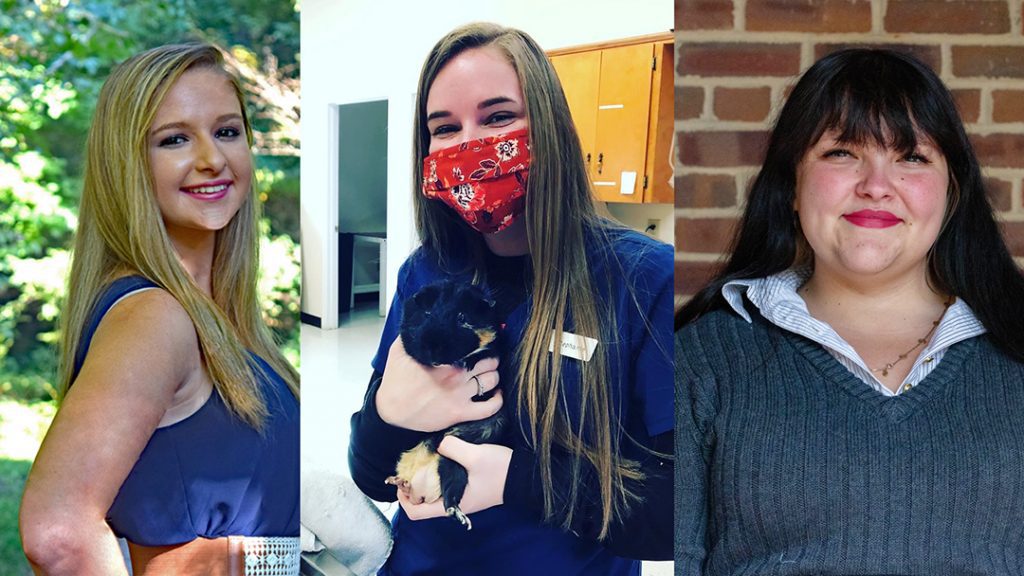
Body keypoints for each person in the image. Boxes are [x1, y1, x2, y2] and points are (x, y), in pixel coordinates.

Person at [675, 48, 1024, 575]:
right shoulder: (704, 358)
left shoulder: (1016, 357)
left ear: (952, 194)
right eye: (842, 152)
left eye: (912, 157)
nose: (876, 186)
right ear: (792, 184)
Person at [347, 22, 674, 575]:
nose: (470, 144)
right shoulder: (425, 271)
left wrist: (512, 480)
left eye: (499, 117)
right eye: (444, 128)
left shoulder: (643, 280)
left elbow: (679, 513)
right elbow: (372, 471)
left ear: (549, 127)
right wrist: (388, 414)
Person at [18, 43, 300, 576]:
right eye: (174, 140)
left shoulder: (214, 314)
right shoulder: (154, 316)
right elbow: (57, 532)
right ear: (129, 164)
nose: (211, 159)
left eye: (227, 131)